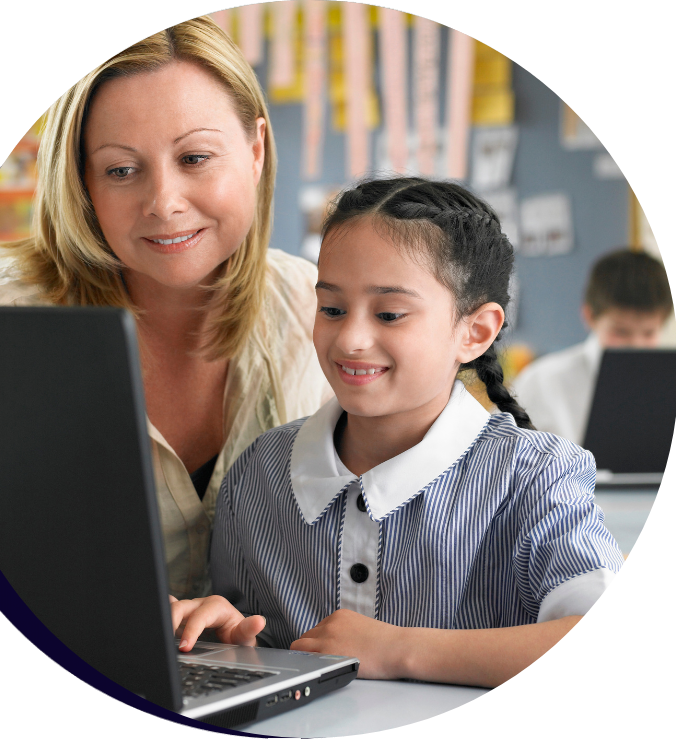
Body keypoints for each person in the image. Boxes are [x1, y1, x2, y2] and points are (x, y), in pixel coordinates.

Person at [169, 177, 625, 688]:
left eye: (389, 313)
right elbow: (248, 632)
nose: (351, 338)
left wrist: (400, 648)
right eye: (332, 309)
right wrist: (225, 632)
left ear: (474, 332)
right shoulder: (260, 471)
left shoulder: (535, 475)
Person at [0, 18, 332, 600]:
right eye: (121, 170)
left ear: (255, 152)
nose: (164, 203)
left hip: (277, 671)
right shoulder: (0, 329)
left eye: (196, 158)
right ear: (83, 184)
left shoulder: (314, 306)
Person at [511, 249, 673, 445]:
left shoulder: (667, 383)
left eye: (648, 333)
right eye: (621, 332)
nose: (636, 345)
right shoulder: (541, 382)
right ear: (589, 316)